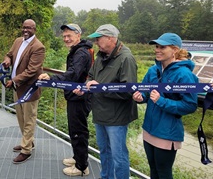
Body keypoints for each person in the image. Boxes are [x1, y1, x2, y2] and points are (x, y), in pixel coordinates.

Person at [132, 33, 198, 179]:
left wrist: (161, 101)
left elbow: (190, 105)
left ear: (174, 50)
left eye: (162, 47)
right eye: (156, 46)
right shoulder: (152, 71)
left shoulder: (184, 74)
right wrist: (139, 97)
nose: (157, 50)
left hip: (167, 133)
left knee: (163, 172)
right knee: (153, 170)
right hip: (149, 129)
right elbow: (145, 93)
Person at [82, 24, 138, 179]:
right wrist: (88, 85)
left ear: (111, 38)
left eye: (99, 38)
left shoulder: (126, 58)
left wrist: (101, 88)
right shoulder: (100, 56)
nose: (96, 42)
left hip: (117, 117)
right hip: (100, 113)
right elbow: (91, 76)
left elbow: (128, 90)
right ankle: (106, 176)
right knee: (104, 151)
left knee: (118, 156)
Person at [39, 24, 92, 176]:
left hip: (80, 98)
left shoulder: (81, 53)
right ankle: (77, 157)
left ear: (78, 35)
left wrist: (52, 78)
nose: (66, 39)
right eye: (64, 36)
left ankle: (82, 167)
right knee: (74, 130)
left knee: (78, 131)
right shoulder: (77, 51)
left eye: (69, 36)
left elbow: (73, 74)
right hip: (75, 96)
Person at [2, 19, 45, 164]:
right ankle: (28, 141)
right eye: (24, 27)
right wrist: (7, 60)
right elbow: (9, 54)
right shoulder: (18, 41)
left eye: (29, 28)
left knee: (29, 120)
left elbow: (31, 70)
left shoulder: (38, 47)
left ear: (34, 29)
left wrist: (14, 80)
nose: (25, 30)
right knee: (21, 118)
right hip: (17, 87)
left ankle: (26, 150)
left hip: (29, 89)